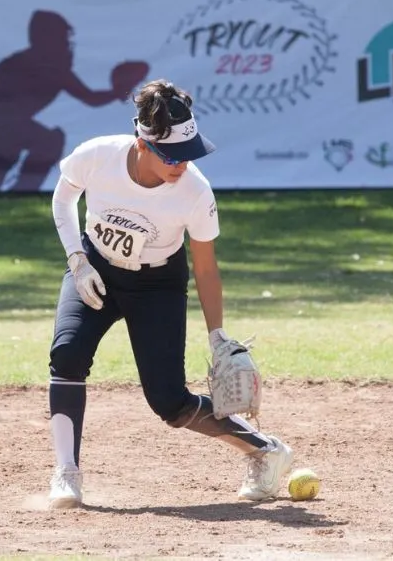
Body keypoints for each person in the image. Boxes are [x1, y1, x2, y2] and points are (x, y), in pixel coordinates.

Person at [45, 79, 294, 509]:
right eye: (171, 155)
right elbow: (64, 198)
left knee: (169, 402)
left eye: (189, 152)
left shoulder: (195, 191)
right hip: (95, 268)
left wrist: (217, 336)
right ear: (143, 144)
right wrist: (77, 261)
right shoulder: (98, 155)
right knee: (67, 353)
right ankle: (67, 473)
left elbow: (205, 267)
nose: (181, 164)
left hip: (157, 284)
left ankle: (265, 450)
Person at [0, 10, 146, 192]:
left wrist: (118, 92)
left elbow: (90, 98)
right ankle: (13, 188)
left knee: (19, 141)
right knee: (43, 142)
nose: (67, 43)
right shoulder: (39, 64)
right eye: (63, 37)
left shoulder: (42, 63)